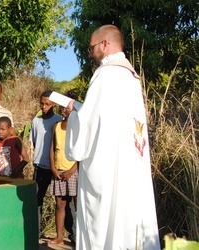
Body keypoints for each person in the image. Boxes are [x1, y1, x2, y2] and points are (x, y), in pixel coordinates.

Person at [65, 25, 160, 249]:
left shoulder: (104, 75)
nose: (89, 53)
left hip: (107, 166)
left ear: (105, 44)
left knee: (107, 221)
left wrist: (74, 113)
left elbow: (88, 123)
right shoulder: (132, 78)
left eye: (91, 48)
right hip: (131, 164)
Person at [29, 90, 63, 235]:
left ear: (53, 104)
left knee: (62, 203)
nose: (43, 107)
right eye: (41, 104)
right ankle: (35, 233)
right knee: (37, 200)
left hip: (56, 168)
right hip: (40, 167)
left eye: (47, 104)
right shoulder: (36, 121)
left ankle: (71, 234)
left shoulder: (60, 120)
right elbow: (36, 142)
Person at [48, 91, 79, 245]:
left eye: (66, 107)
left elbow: (82, 151)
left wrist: (72, 170)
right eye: (62, 107)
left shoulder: (78, 126)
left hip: (73, 172)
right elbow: (52, 148)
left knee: (78, 207)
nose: (63, 110)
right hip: (59, 171)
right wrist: (53, 168)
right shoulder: (57, 126)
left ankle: (81, 238)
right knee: (60, 205)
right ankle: (60, 237)